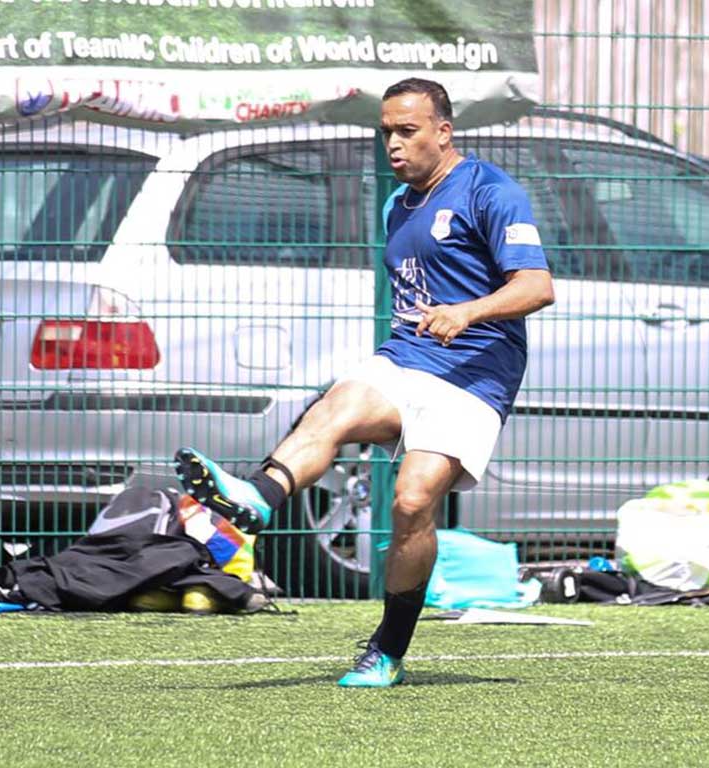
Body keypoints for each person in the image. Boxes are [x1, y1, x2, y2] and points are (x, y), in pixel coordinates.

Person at [172, 77, 554, 688]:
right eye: (386, 133)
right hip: (407, 356)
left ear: (444, 132)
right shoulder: (397, 203)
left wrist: (467, 312)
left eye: (407, 131)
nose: (393, 145)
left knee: (411, 502)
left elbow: (537, 286)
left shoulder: (491, 191)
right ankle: (257, 498)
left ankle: (388, 648)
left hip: (477, 372)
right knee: (335, 407)